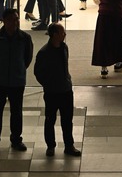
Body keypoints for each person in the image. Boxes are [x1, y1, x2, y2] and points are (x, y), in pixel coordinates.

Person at [0, 8, 33, 153]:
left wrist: (19, 70)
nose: (15, 22)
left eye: (17, 19)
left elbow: (27, 58)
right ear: (5, 21)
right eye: (12, 19)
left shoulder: (25, 38)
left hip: (17, 80)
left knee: (17, 111)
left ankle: (16, 140)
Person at [34, 23, 81, 157]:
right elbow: (38, 73)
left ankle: (69, 145)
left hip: (66, 90)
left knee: (67, 119)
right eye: (62, 33)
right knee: (50, 119)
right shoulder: (44, 53)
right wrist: (48, 84)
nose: (64, 35)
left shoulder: (64, 47)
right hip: (52, 92)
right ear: (54, 35)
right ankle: (50, 145)